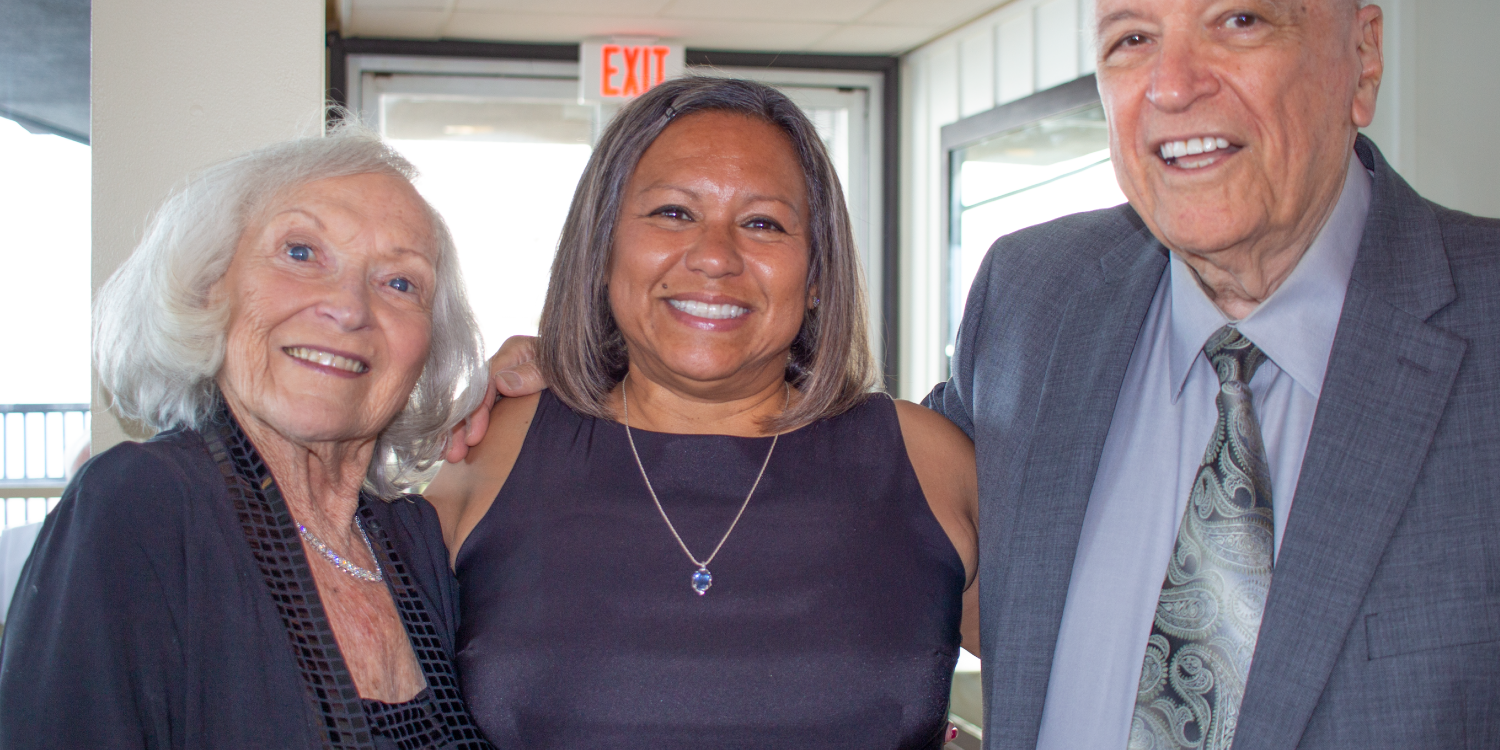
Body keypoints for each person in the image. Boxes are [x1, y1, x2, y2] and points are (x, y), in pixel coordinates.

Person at [469, 1, 1500, 748]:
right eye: (1133, 37)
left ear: (1363, 53)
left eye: (1239, 21)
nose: (1176, 85)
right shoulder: (1038, 299)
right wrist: (556, 374)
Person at [427, 76, 979, 749]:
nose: (716, 257)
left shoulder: (931, 465)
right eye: (673, 213)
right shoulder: (487, 455)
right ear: (601, 249)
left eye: (763, 223)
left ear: (816, 277)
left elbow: (1087, 689)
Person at [0, 125, 496, 750]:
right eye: (300, 252)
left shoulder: (412, 543)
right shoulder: (141, 504)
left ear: (424, 351)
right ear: (210, 288)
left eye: (400, 283)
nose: (349, 308)